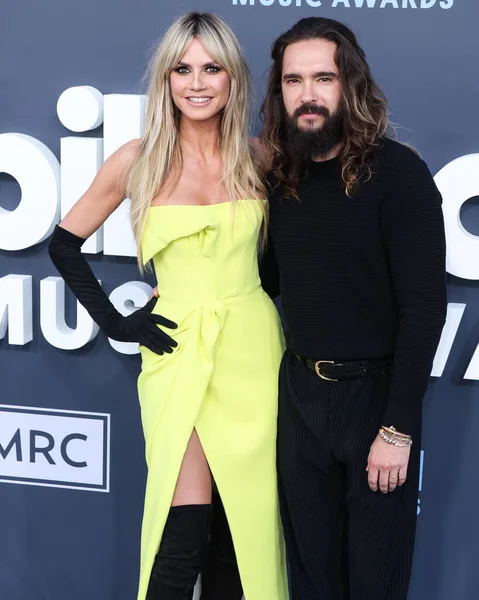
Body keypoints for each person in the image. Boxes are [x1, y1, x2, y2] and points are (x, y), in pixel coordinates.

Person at [49, 12, 288, 600]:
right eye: (183, 68)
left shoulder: (259, 160)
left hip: (254, 353)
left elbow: (277, 270)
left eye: (212, 68)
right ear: (166, 79)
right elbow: (64, 244)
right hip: (176, 349)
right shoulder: (138, 159)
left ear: (233, 79)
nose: (197, 82)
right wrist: (118, 322)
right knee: (181, 532)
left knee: (242, 531)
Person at [259, 17, 447, 600]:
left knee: (376, 583)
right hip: (300, 400)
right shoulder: (278, 177)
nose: (307, 94)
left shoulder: (399, 175)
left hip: (376, 405)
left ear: (351, 84)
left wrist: (397, 429)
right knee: (311, 582)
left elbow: (424, 312)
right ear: (280, 91)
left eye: (323, 77)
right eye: (293, 80)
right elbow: (260, 281)